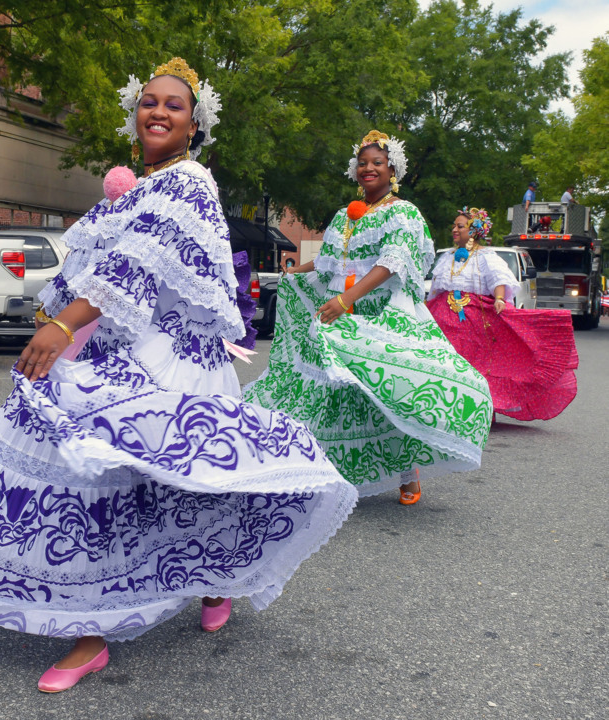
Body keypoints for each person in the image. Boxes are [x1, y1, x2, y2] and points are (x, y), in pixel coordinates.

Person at [0, 58, 356, 693]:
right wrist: (58, 317)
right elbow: (88, 263)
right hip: (120, 352)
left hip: (175, 363)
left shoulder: (190, 181)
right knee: (112, 488)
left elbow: (134, 268)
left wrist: (62, 326)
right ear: (135, 116)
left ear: (194, 126)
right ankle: (94, 631)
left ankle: (198, 588)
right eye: (148, 102)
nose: (158, 111)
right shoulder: (137, 190)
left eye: (173, 105)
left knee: (152, 487)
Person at [244, 130, 493, 505]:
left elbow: (392, 263)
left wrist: (348, 298)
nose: (368, 168)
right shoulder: (346, 214)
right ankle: (315, 467)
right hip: (342, 311)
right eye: (363, 163)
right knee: (333, 391)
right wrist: (296, 273)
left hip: (381, 314)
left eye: (377, 162)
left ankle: (407, 473)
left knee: (385, 392)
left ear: (392, 169)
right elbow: (329, 262)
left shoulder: (403, 213)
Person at [426, 208, 578, 421]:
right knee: (443, 359)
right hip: (443, 316)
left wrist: (499, 299)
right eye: (454, 225)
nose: (454, 229)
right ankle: (443, 405)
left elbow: (499, 279)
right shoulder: (447, 257)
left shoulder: (486, 256)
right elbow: (436, 288)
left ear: (474, 231)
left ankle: (480, 406)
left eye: (460, 226)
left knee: (472, 362)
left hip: (472, 318)